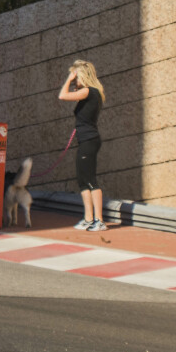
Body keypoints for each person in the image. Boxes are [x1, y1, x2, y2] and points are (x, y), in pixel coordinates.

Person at [57, 60, 107, 231]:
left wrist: (69, 80)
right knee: (82, 181)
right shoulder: (91, 93)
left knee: (91, 180)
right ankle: (88, 218)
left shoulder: (89, 91)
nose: (74, 80)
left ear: (82, 76)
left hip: (89, 140)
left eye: (76, 76)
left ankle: (99, 220)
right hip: (85, 139)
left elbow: (62, 96)